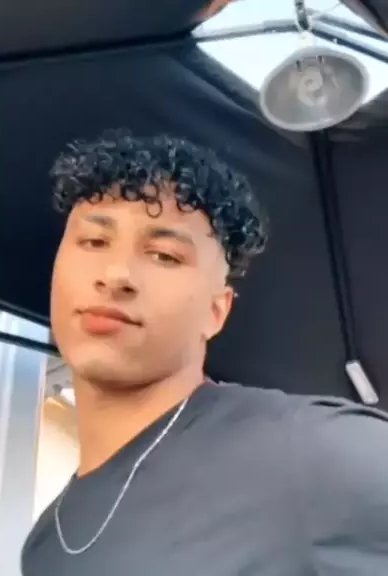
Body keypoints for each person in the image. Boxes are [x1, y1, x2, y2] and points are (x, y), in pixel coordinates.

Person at [22, 131, 388, 576]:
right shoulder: (43, 545)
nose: (116, 275)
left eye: (164, 255)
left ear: (216, 312)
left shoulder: (308, 453)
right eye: (95, 242)